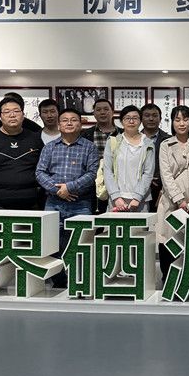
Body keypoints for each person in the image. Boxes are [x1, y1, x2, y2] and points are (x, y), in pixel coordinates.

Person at [35, 108, 99, 287]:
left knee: (82, 243)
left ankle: (81, 281)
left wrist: (69, 187)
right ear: (59, 125)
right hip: (53, 202)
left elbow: (92, 174)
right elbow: (40, 172)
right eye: (65, 120)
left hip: (81, 203)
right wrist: (58, 191)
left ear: (81, 124)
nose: (69, 123)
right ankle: (59, 281)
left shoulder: (90, 147)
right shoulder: (50, 147)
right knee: (52, 243)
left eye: (73, 120)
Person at [155, 106, 189, 281]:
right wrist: (179, 200)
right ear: (172, 122)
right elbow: (166, 176)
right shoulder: (165, 145)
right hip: (171, 203)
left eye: (185, 119)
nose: (182, 123)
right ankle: (168, 278)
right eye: (177, 119)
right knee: (168, 241)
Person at [104, 105, 156, 212]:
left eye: (135, 118)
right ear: (121, 121)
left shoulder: (148, 144)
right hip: (116, 200)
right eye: (127, 118)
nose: (131, 121)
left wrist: (137, 197)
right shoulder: (113, 142)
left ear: (140, 121)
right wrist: (116, 197)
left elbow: (148, 173)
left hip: (140, 201)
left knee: (139, 224)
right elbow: (107, 171)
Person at [82, 97, 120, 212]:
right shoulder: (85, 135)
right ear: (93, 113)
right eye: (98, 110)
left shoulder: (122, 134)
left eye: (106, 109)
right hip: (93, 184)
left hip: (118, 183)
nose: (102, 112)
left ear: (112, 112)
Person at [140, 103, 170, 208]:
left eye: (155, 115)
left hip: (163, 189)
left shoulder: (169, 140)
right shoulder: (134, 140)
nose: (151, 119)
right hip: (138, 189)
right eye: (147, 115)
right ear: (141, 119)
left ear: (160, 119)